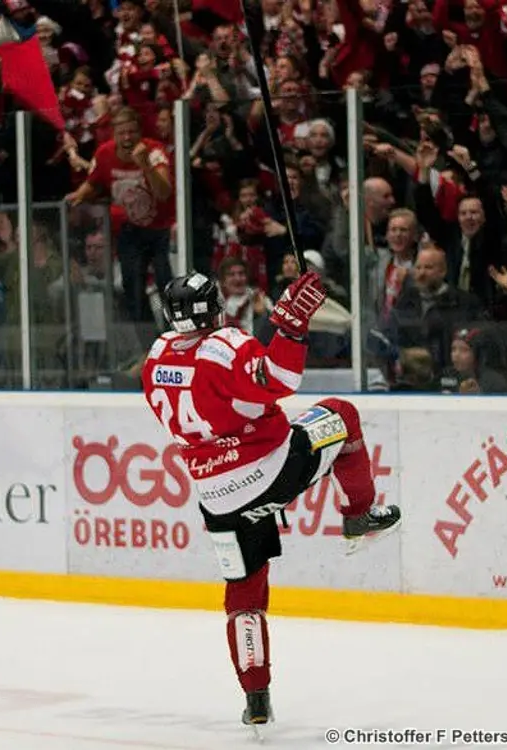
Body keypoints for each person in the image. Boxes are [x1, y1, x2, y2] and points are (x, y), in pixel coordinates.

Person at [141, 269, 401, 729]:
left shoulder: (156, 354)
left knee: (243, 595)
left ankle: (255, 697)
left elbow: (213, 397)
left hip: (216, 496)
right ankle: (359, 515)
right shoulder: (226, 344)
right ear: (215, 304)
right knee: (342, 415)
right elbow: (279, 379)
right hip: (271, 468)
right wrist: (289, 326)